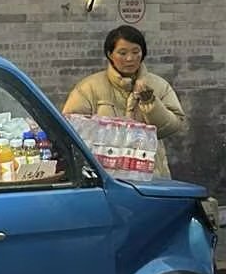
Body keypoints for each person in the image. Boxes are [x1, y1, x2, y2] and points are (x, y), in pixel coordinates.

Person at [62, 24, 186, 178]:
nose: (130, 58)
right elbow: (69, 126)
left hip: (150, 174)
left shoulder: (158, 85)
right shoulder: (89, 87)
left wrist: (150, 103)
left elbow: (174, 125)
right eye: (122, 52)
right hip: (105, 175)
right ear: (110, 54)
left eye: (136, 52)